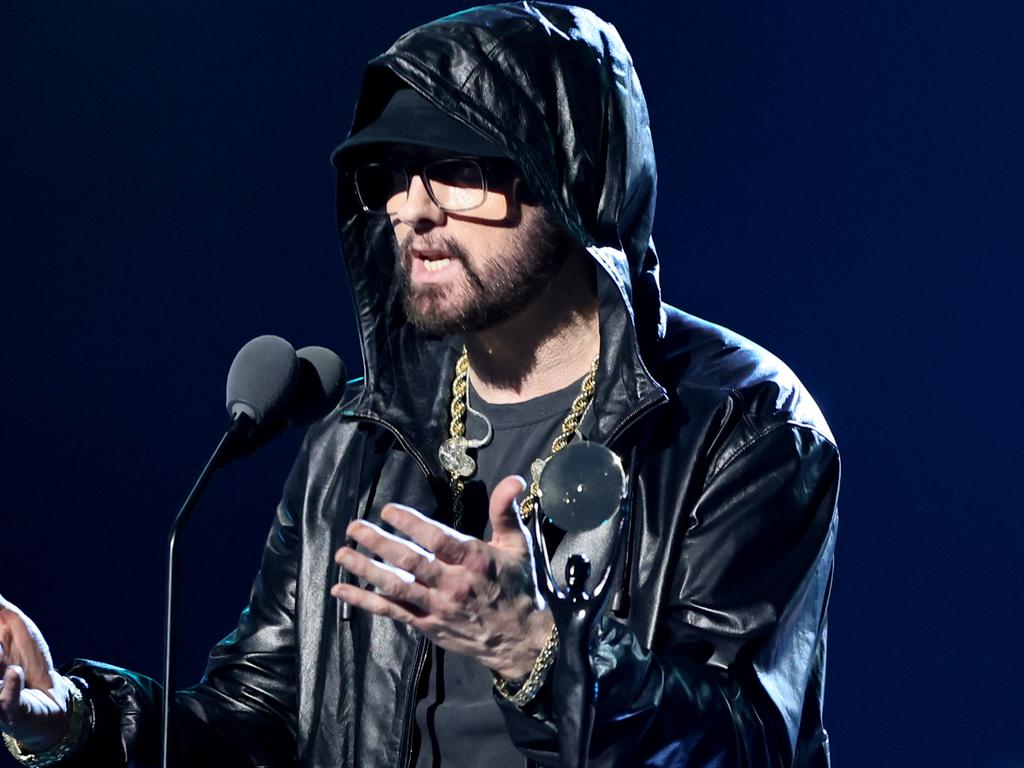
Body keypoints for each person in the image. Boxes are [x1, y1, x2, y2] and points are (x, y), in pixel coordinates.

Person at [0, 3, 840, 767]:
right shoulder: (361, 436)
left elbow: (748, 745)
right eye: (393, 174)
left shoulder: (741, 422)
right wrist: (73, 717)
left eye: (457, 167)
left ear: (570, 176)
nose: (411, 209)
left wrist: (537, 648)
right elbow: (258, 720)